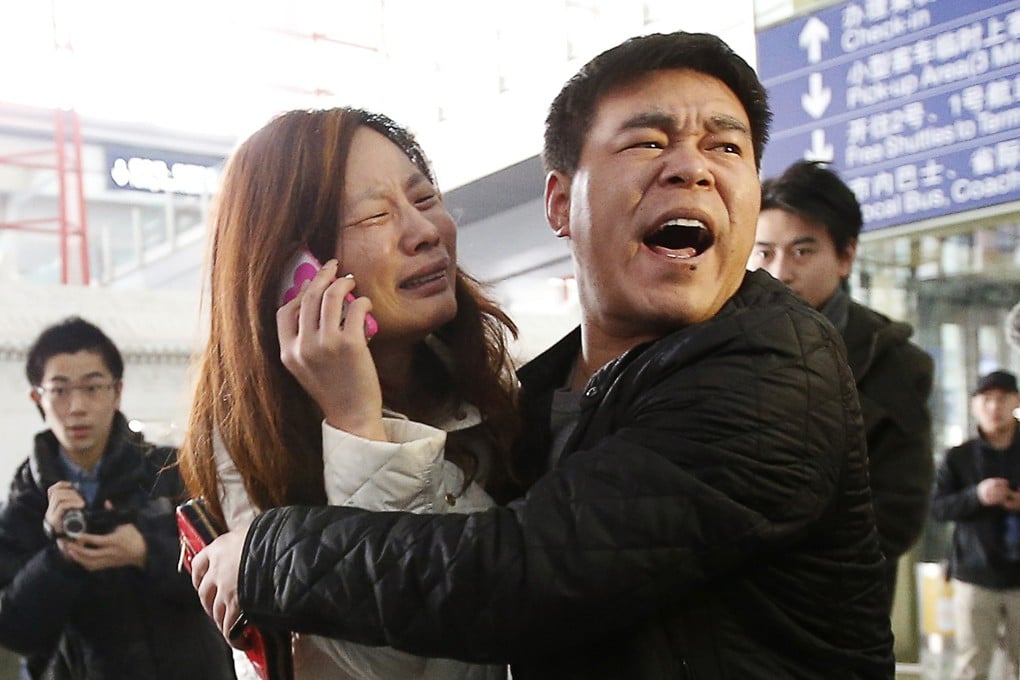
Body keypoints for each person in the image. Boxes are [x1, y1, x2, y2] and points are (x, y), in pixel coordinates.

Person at [192, 31, 895, 678]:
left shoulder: (771, 368)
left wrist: (273, 546)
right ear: (558, 203)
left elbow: (516, 581)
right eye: (648, 143)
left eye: (726, 148)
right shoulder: (533, 402)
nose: (692, 169)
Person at [177, 107, 519, 679]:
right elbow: (384, 666)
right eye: (377, 215)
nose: (426, 231)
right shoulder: (251, 452)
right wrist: (356, 424)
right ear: (295, 269)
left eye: (426, 199)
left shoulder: (491, 387)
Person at [0, 316, 235, 679]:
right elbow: (16, 630)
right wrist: (59, 559)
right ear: (38, 398)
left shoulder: (172, 471)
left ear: (117, 391)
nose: (77, 406)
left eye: (93, 387)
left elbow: (230, 577)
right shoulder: (25, 503)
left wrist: (145, 551)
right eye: (60, 390)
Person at [748, 159, 935, 611]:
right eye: (765, 252)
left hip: (838, 614)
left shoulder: (895, 363)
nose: (780, 271)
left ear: (846, 256)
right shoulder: (718, 348)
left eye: (802, 251)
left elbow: (898, 511)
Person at [931, 370, 1020, 680]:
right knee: (972, 667)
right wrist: (977, 496)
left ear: (1016, 401)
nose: (994, 407)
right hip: (974, 575)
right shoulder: (958, 457)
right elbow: (937, 508)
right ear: (973, 405)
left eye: (1002, 398)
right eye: (986, 399)